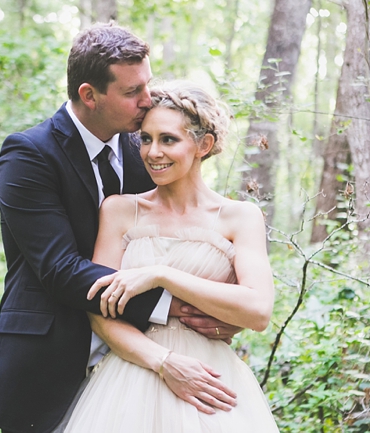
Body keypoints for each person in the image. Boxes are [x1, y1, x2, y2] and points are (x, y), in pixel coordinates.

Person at [0, 24, 241, 433]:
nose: (147, 100)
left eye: (147, 85)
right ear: (89, 95)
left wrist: (221, 308)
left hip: (134, 367)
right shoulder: (29, 154)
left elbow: (185, 227)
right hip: (47, 363)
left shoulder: (146, 149)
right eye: (133, 92)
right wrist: (173, 307)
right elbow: (60, 269)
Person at [62, 81, 279, 432]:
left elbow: (257, 311)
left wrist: (162, 275)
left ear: (203, 145)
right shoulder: (120, 211)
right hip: (131, 379)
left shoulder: (240, 217)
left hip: (210, 381)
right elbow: (99, 313)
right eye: (146, 139)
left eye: (168, 140)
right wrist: (165, 363)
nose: (152, 152)